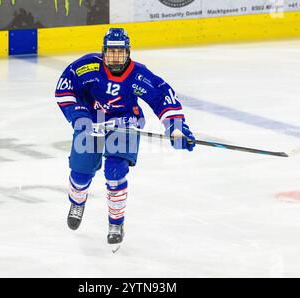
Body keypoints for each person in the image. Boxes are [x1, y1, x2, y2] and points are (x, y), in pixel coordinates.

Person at [55, 28, 195, 246]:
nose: (115, 58)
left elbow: (162, 96)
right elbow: (65, 89)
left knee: (115, 172)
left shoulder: (139, 75)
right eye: (111, 53)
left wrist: (175, 127)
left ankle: (116, 222)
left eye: (120, 53)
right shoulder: (87, 67)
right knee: (80, 174)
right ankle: (77, 202)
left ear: (128, 53)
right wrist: (80, 115)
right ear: (103, 52)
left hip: (125, 122)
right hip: (91, 121)